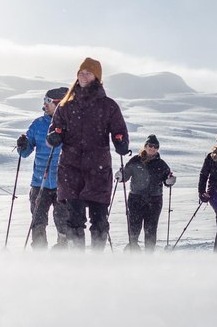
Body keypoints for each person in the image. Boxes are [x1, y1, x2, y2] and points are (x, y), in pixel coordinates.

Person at [47, 57, 129, 251]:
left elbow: (119, 130)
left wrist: (120, 142)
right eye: (81, 73)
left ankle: (97, 261)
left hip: (98, 170)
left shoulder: (108, 106)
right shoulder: (66, 106)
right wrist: (54, 137)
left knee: (99, 219)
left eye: (88, 73)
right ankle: (77, 262)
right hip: (71, 170)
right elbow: (55, 129)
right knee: (74, 220)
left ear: (97, 77)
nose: (83, 76)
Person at [16, 87, 70, 250]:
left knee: (63, 220)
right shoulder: (38, 124)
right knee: (38, 221)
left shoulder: (72, 126)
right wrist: (22, 146)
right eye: (44, 100)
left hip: (64, 183)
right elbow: (24, 153)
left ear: (59, 104)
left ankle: (63, 247)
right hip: (40, 182)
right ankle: (39, 254)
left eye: (48, 101)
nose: (45, 105)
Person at [115, 134, 176, 253]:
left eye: (156, 146)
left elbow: (167, 179)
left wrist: (170, 181)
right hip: (135, 199)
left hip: (154, 201)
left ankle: (149, 257)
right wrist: (121, 176)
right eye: (150, 145)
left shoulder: (161, 164)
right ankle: (133, 254)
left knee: (151, 230)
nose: (152, 148)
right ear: (145, 146)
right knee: (134, 229)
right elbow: (125, 175)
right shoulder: (135, 160)